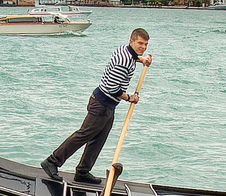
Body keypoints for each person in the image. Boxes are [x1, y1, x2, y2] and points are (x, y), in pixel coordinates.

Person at [41, 28, 153, 185]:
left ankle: (83, 171)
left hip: (108, 105)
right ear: (131, 41)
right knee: (83, 135)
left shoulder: (125, 51)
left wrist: (142, 59)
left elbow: (132, 58)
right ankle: (52, 162)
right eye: (140, 43)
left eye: (145, 44)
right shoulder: (124, 61)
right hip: (101, 104)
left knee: (99, 139)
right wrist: (130, 98)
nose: (143, 47)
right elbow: (114, 89)